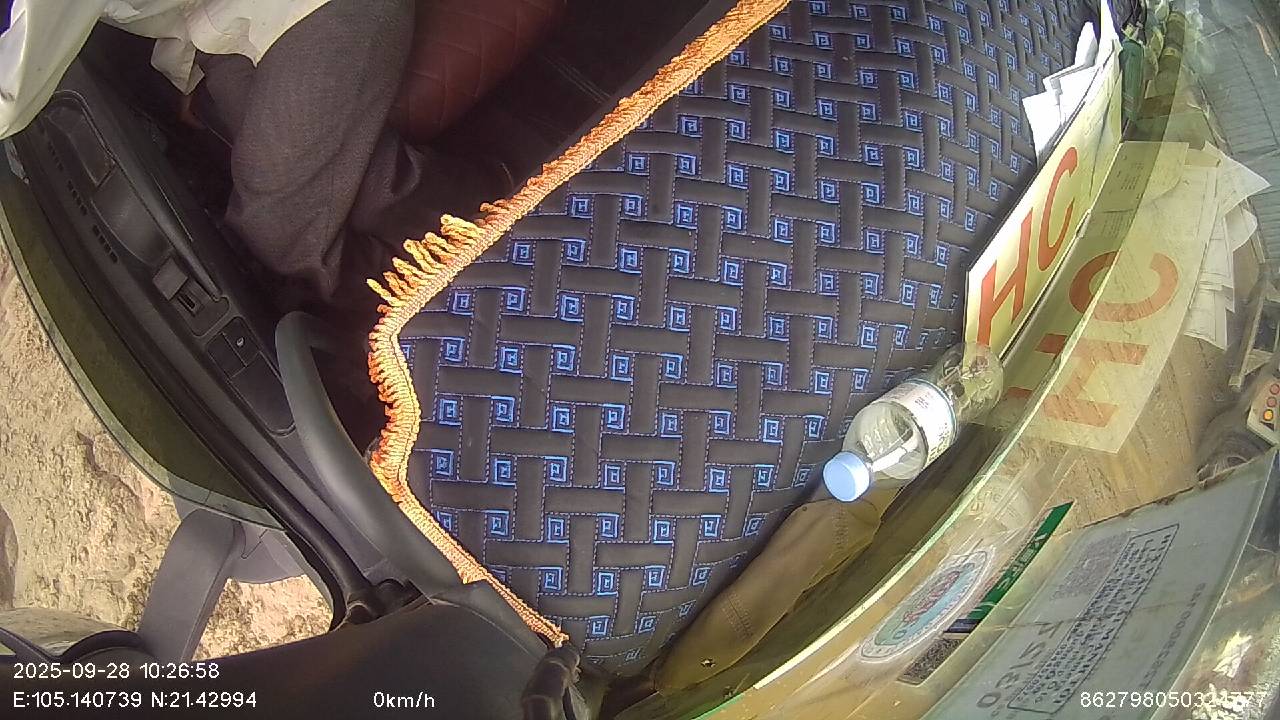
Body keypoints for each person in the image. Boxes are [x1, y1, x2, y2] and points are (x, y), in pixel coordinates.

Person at [0, 0, 510, 309]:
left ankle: (473, 268)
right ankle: (500, 217)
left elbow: (12, 95)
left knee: (280, 235)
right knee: (345, 188)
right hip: (220, 26)